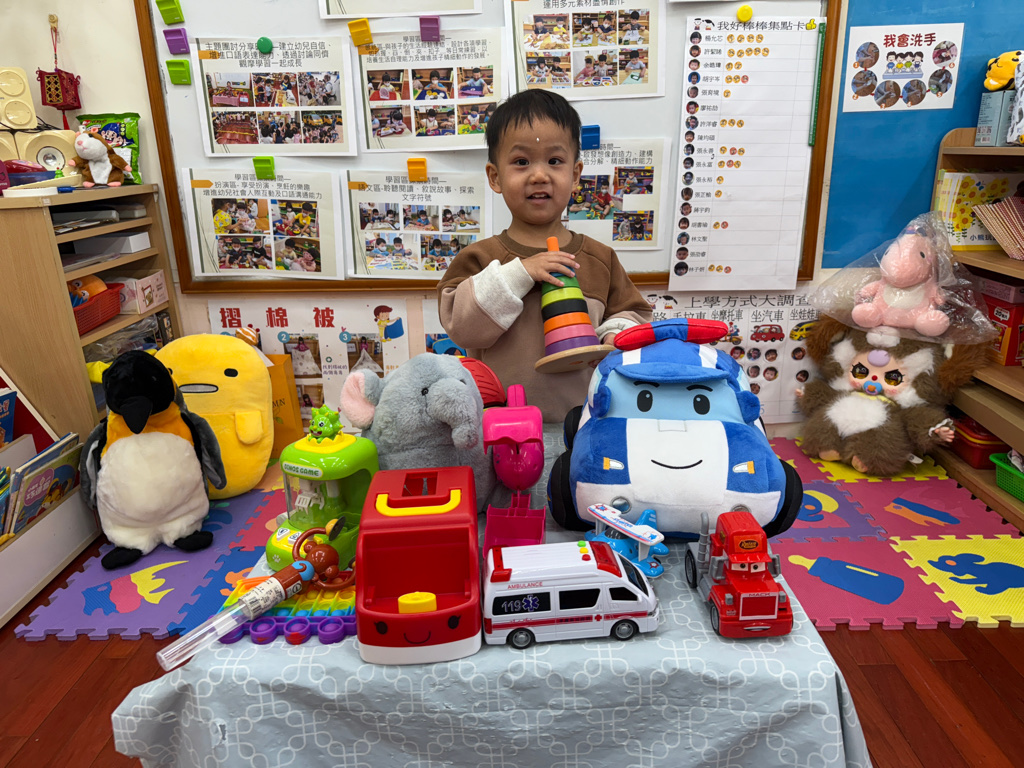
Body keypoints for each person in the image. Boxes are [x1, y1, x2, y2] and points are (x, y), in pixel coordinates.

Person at [437, 89, 650, 422]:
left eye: (554, 161)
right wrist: (520, 273)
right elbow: (462, 328)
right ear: (495, 177)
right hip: (498, 427)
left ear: (575, 175)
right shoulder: (480, 257)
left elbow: (634, 314)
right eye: (521, 162)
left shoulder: (600, 258)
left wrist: (614, 333)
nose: (539, 175)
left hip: (585, 423)